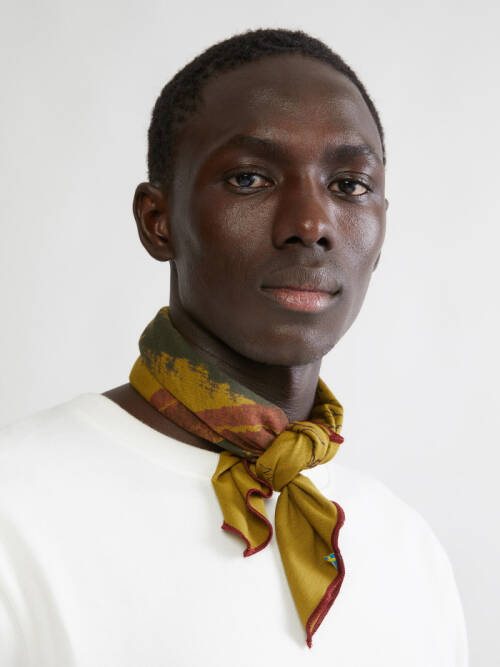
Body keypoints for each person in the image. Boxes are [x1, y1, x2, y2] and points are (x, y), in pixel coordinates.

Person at [0, 28, 468, 666]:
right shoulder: (18, 507)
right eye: (250, 178)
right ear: (158, 222)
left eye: (350, 185)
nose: (311, 224)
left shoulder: (409, 552)